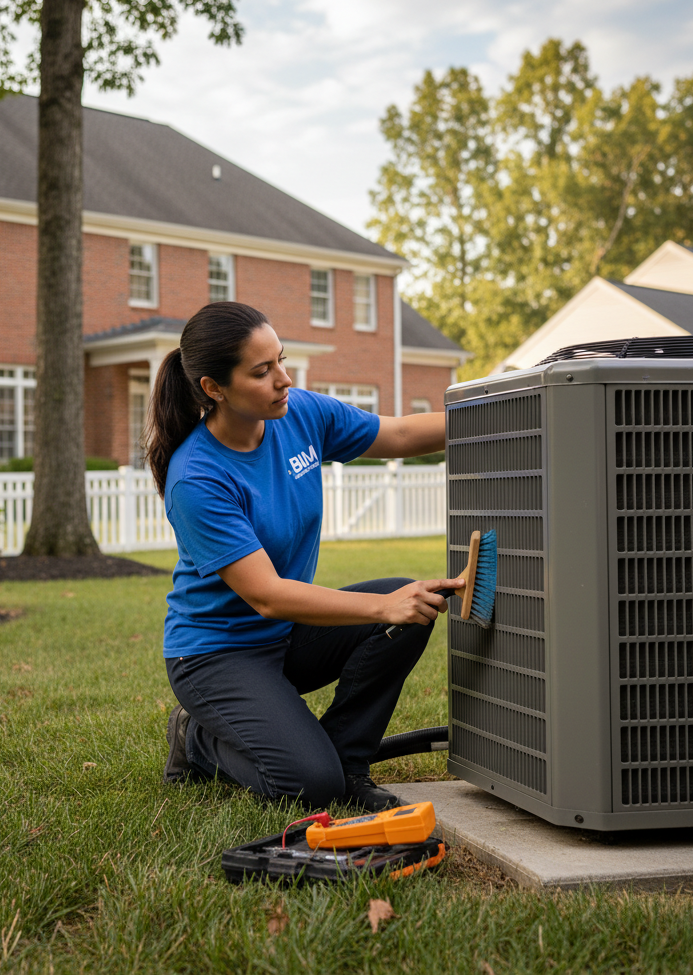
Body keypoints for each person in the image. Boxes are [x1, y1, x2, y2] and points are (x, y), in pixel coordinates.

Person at [143, 301, 462, 812]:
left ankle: (346, 762)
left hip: (286, 640)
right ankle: (197, 741)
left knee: (410, 606)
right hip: (217, 655)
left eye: (281, 360)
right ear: (213, 388)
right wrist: (383, 607)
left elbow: (399, 434)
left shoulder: (301, 415)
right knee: (308, 786)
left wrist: (494, 413)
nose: (283, 379)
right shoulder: (197, 476)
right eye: (262, 371)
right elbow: (267, 595)